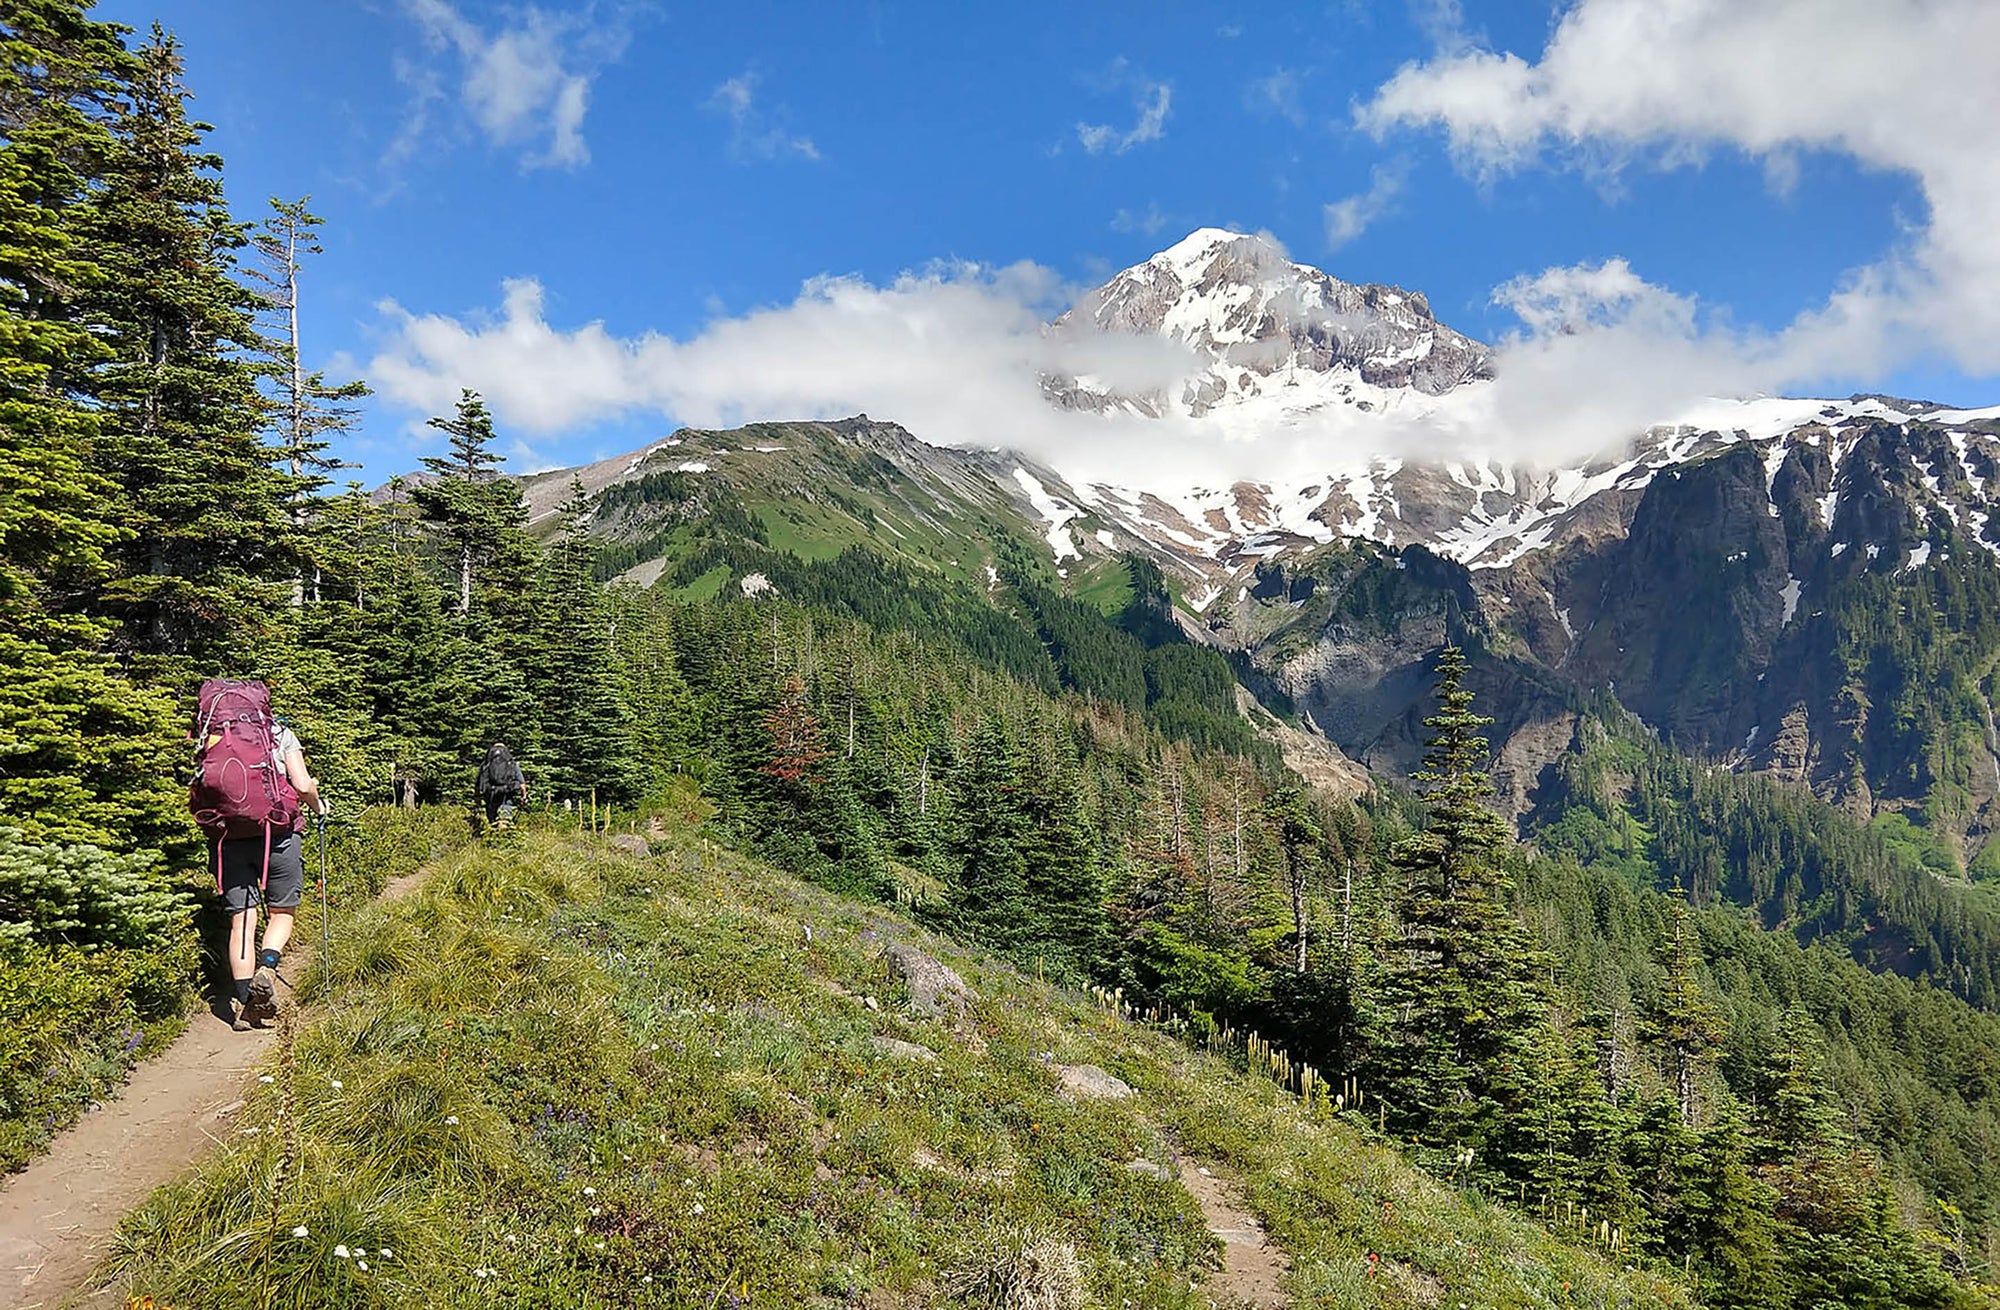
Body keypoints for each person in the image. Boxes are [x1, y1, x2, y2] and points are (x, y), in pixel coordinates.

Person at [218, 716, 324, 1031]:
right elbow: (303, 785)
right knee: (281, 912)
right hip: (279, 835)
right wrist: (319, 806)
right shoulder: (278, 732)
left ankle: (241, 1004)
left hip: (230, 838)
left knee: (242, 922)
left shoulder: (212, 734)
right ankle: (267, 968)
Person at [476, 743, 528, 829]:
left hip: (490, 796)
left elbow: (478, 783)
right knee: (505, 819)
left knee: (492, 821)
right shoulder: (512, 764)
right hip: (507, 796)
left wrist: (477, 797)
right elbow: (522, 784)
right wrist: (524, 796)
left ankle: (493, 838)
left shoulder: (485, 764)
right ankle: (504, 836)